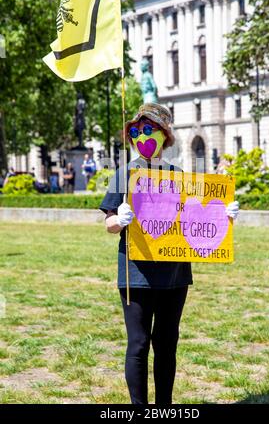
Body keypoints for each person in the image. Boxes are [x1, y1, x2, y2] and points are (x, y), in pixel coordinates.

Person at [99, 103, 239, 405]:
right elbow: (108, 222)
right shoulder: (124, 174)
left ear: (164, 135)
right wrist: (118, 219)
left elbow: (196, 221)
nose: (142, 136)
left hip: (174, 275)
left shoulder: (178, 176)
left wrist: (224, 217)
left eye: (149, 129)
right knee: (138, 344)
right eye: (136, 131)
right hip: (135, 274)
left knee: (166, 344)